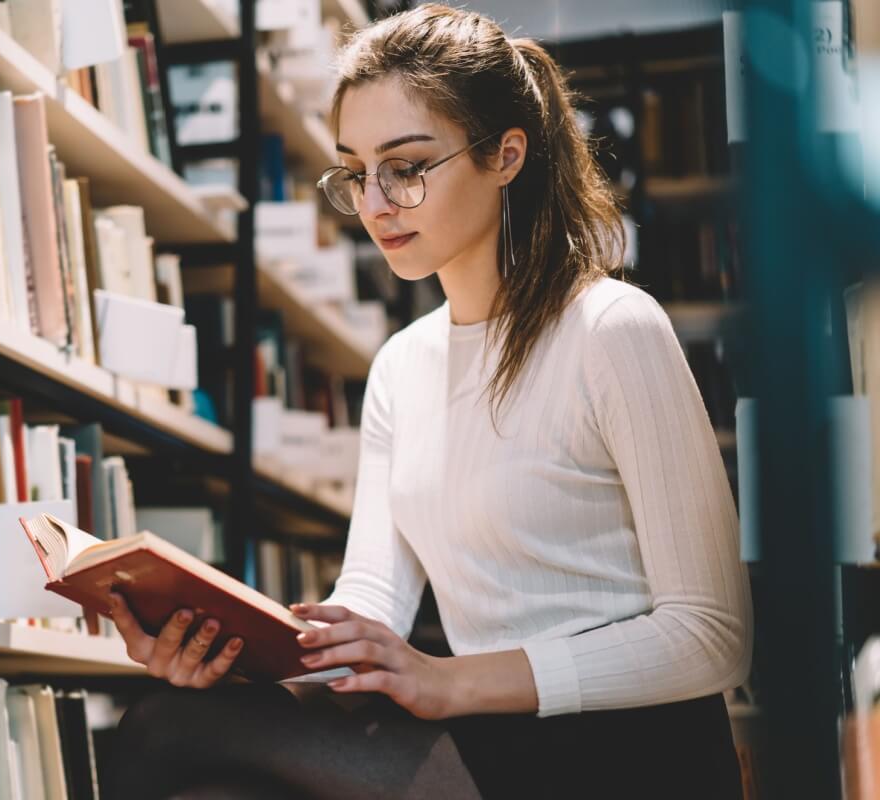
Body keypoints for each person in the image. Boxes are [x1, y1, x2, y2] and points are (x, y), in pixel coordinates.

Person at [105, 5, 752, 798]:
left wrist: (450, 680)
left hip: (629, 749)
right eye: (355, 173)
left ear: (505, 155)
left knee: (165, 733)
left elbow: (712, 635)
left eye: (406, 167)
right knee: (204, 766)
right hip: (487, 738)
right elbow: (371, 604)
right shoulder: (401, 367)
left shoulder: (612, 329)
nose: (375, 204)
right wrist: (235, 654)